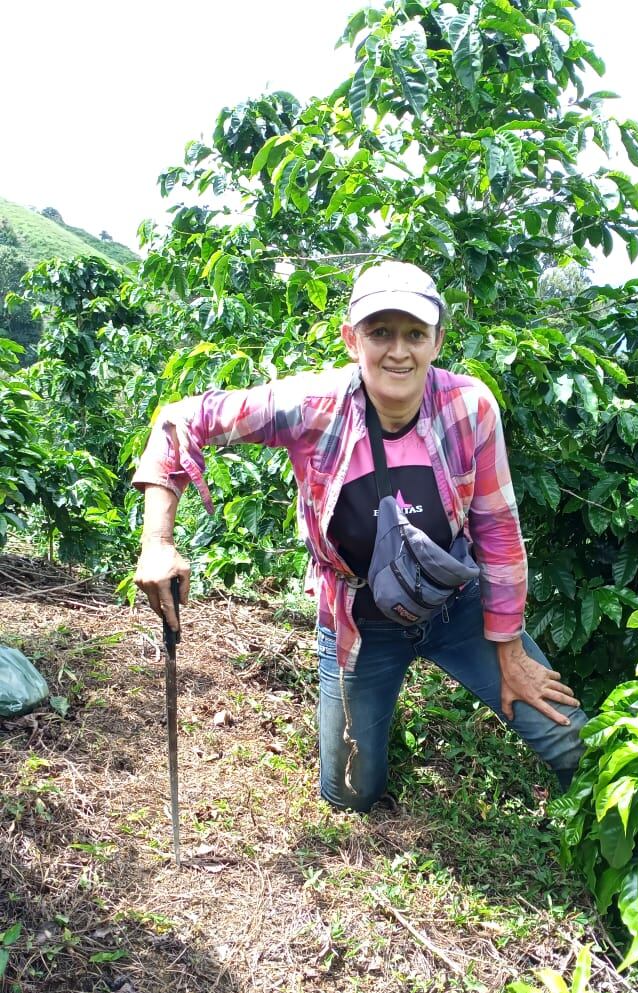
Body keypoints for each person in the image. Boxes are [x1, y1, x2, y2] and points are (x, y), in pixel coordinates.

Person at [133, 260, 587, 812]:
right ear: (353, 339)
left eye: (415, 334)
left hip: (458, 607)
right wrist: (157, 541)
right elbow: (180, 421)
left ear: (437, 341)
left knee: (571, 742)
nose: (399, 351)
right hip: (359, 619)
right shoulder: (314, 407)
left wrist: (510, 649)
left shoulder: (469, 407)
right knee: (350, 793)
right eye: (380, 333)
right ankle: (372, 732)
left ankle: (599, 846)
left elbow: (496, 530)